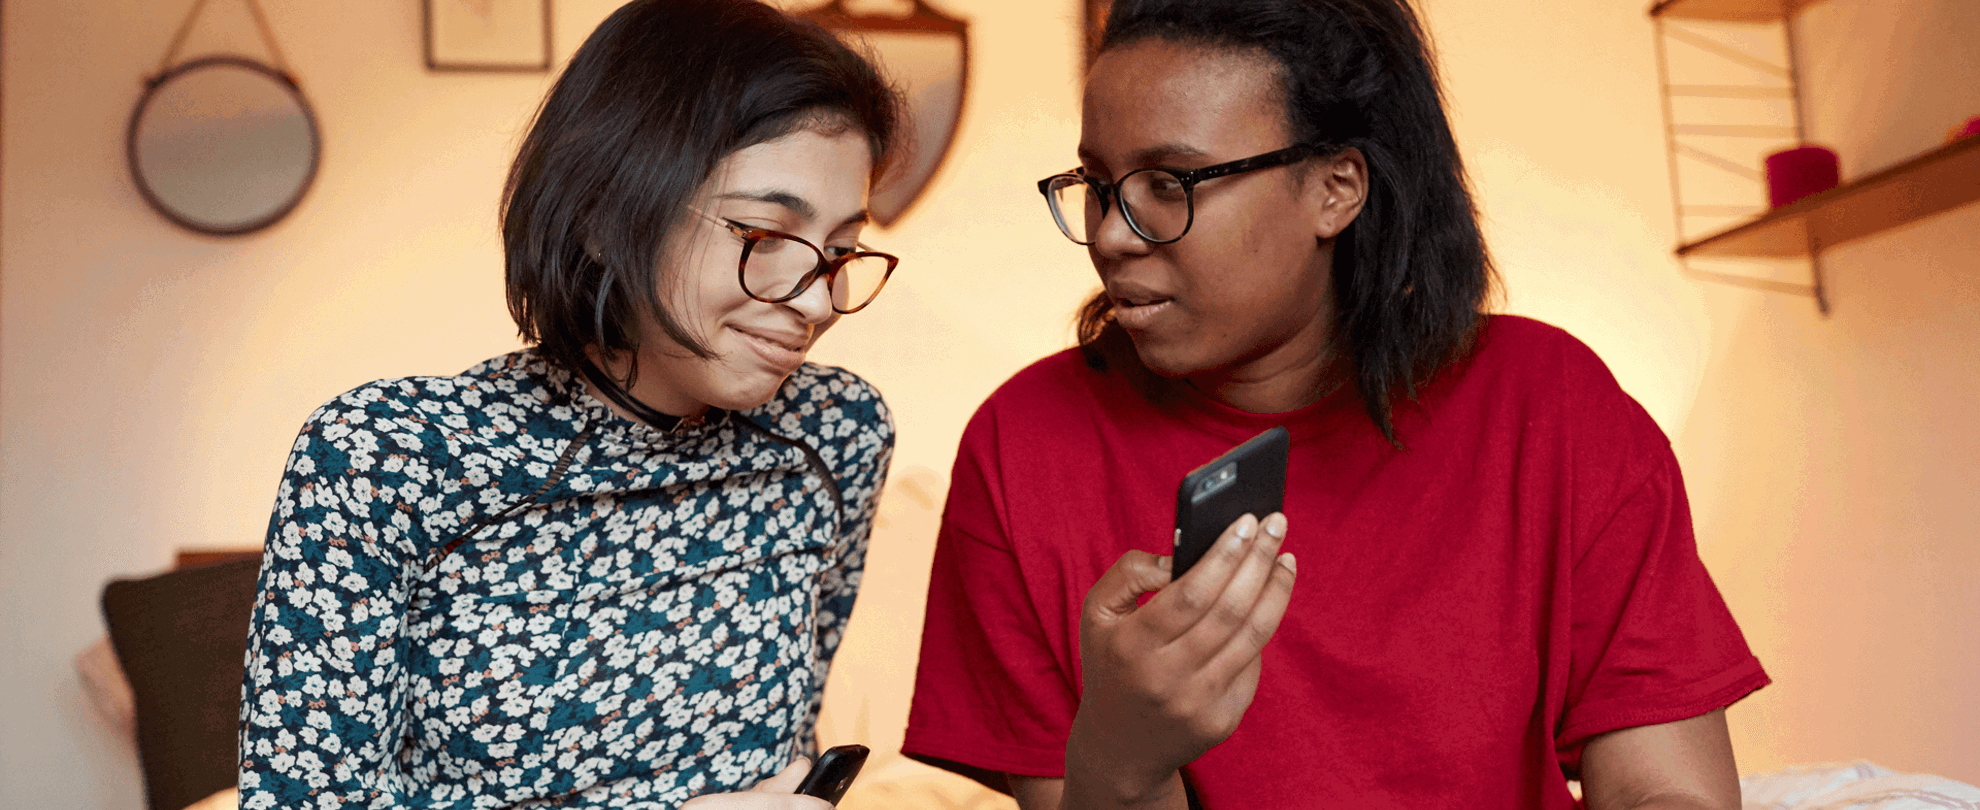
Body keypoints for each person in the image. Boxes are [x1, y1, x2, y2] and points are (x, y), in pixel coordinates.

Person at [901, 0, 1768, 808]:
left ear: (1336, 188)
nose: (1112, 234)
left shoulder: (1553, 407)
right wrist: (1121, 756)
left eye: (1171, 183)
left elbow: (1670, 789)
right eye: (1098, 183)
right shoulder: (1021, 449)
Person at [237, 1, 902, 807]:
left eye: (839, 251)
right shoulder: (387, 456)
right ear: (602, 214)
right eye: (765, 237)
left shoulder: (834, 434)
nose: (819, 302)